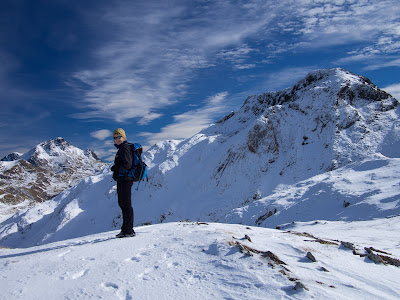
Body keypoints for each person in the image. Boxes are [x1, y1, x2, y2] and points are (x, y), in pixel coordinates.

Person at [111, 128, 136, 238]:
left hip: (125, 179)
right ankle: (126, 229)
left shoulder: (124, 148)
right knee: (123, 203)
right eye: (115, 137)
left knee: (126, 204)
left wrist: (115, 168)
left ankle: (128, 230)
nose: (117, 139)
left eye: (119, 136)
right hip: (123, 179)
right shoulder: (122, 148)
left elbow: (127, 164)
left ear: (124, 137)